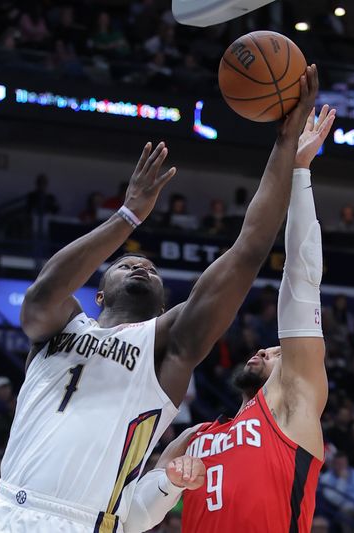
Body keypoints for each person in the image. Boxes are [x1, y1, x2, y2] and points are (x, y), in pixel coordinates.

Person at [0, 66, 320, 533]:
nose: (141, 265)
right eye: (127, 262)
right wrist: (127, 216)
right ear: (98, 292)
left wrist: (285, 143)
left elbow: (249, 248)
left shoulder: (167, 344)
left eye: (151, 269)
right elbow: (42, 293)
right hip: (2, 509)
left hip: (80, 523)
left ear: (161, 304)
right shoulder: (59, 325)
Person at [123, 103, 337, 533]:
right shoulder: (195, 435)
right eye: (270, 348)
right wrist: (168, 482)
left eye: (278, 352)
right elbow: (130, 517)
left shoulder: (292, 405)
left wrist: (299, 174)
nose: (267, 349)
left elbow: (302, 279)